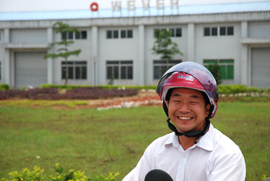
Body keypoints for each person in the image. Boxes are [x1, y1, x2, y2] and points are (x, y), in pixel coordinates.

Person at [123, 62, 246, 181]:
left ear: (207, 109)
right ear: (167, 105)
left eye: (193, 102)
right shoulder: (156, 150)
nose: (184, 109)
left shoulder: (227, 154)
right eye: (177, 101)